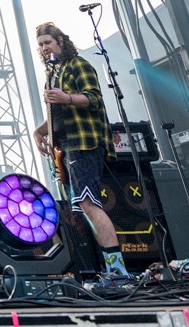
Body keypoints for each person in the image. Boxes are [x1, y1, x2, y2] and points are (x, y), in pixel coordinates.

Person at [31, 21, 128, 280]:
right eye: (41, 45)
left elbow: (94, 98)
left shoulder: (78, 65)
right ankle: (100, 269)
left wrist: (67, 98)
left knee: (88, 204)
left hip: (84, 143)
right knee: (79, 210)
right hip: (66, 149)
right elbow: (56, 113)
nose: (44, 48)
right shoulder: (53, 73)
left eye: (48, 43)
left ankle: (117, 269)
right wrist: (40, 131)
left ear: (60, 42)